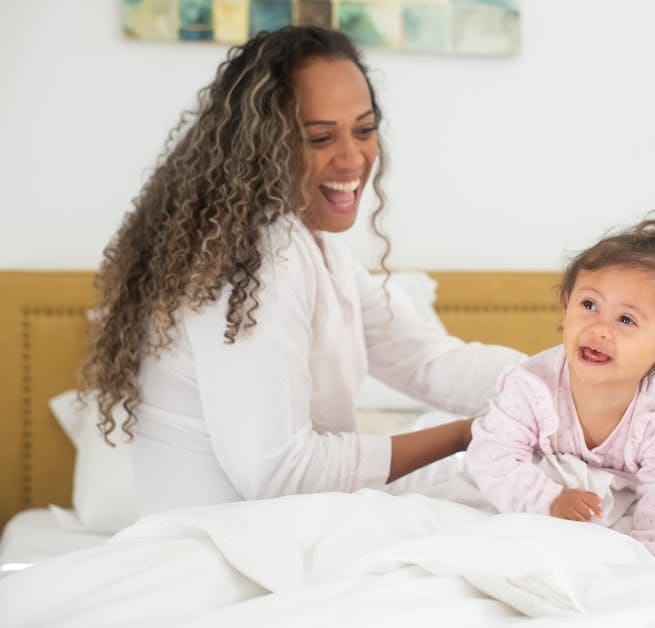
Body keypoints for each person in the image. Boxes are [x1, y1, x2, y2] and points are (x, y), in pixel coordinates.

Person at [81, 25, 524, 517]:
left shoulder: (315, 245)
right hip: (222, 554)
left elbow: (424, 361)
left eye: (364, 129)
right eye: (320, 137)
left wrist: (566, 382)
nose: (353, 157)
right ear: (261, 147)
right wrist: (465, 435)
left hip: (277, 533)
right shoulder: (257, 259)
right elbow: (280, 474)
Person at [465, 214, 655, 555]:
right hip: (531, 504)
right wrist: (550, 501)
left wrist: (652, 564)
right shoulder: (533, 388)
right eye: (589, 305)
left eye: (626, 319)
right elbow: (491, 457)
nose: (599, 329)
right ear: (565, 307)